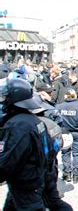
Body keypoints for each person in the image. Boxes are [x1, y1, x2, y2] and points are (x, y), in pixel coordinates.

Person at [0, 78, 49, 210]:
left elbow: (8, 160)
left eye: (5, 97)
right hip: (34, 180)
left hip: (25, 186)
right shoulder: (33, 120)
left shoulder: (18, 125)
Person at [56, 89, 78, 183]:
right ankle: (76, 174)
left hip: (64, 132)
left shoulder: (59, 106)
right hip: (77, 132)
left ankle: (67, 173)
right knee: (77, 153)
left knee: (65, 153)